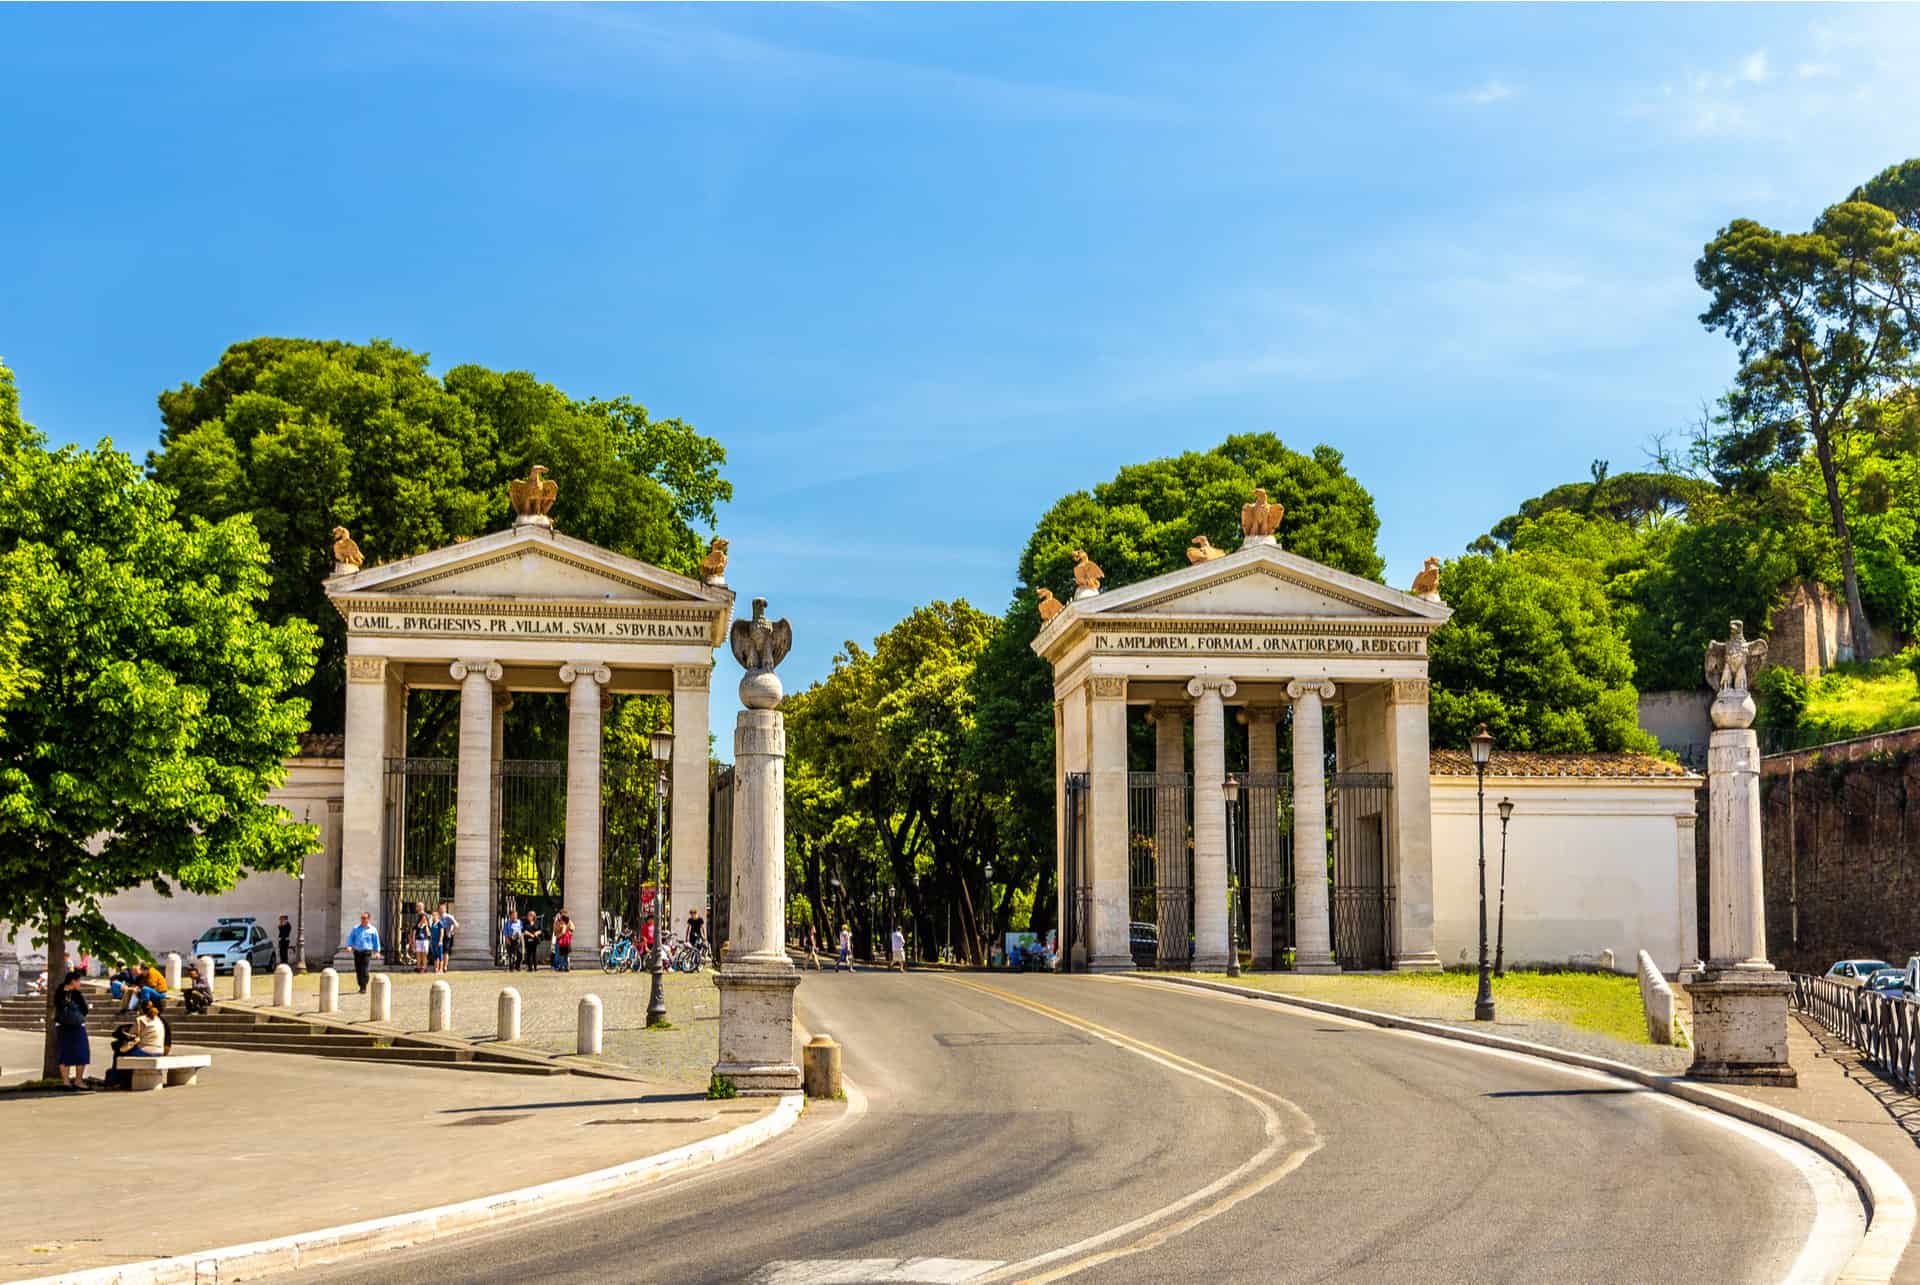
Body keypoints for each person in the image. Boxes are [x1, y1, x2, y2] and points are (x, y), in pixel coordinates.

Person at [54, 970, 91, 1091]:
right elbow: (85, 1010)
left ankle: (66, 1082)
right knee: (81, 1053)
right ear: (73, 981)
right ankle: (78, 1081)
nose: (80, 983)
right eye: (79, 980)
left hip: (62, 1026)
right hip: (76, 1027)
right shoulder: (76, 994)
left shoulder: (59, 992)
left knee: (64, 1054)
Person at [346, 912, 380, 993]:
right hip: (357, 951)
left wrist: (377, 952)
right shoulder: (355, 928)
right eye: (362, 918)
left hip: (366, 952)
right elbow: (351, 938)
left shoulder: (373, 929)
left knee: (364, 969)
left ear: (368, 919)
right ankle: (360, 984)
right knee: (358, 969)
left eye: (364, 918)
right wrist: (349, 946)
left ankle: (363, 986)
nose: (363, 920)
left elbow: (376, 941)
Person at [435, 903, 459, 974]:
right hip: (438, 935)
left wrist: (452, 931)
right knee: (439, 951)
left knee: (445, 952)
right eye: (440, 908)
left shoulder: (448, 916)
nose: (441, 909)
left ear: (445, 909)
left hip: (446, 935)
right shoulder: (437, 916)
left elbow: (456, 924)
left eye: (442, 908)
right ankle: (439, 967)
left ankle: (444, 967)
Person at [412, 908, 431, 974]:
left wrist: (426, 926)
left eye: (425, 918)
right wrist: (413, 942)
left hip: (425, 941)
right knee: (418, 954)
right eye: (423, 917)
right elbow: (414, 934)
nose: (424, 919)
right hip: (418, 941)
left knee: (424, 955)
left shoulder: (426, 926)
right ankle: (418, 967)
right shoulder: (416, 926)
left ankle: (424, 967)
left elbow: (429, 934)